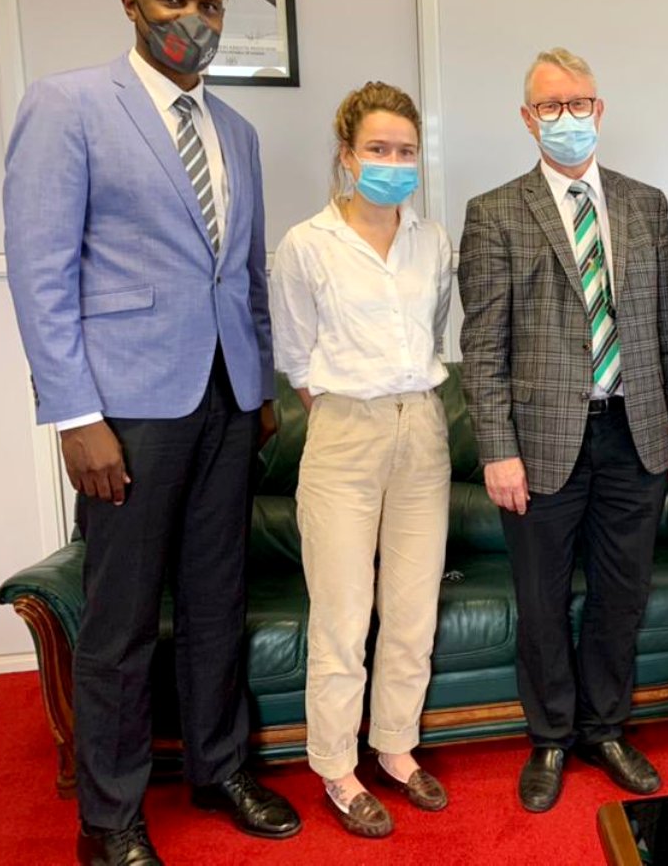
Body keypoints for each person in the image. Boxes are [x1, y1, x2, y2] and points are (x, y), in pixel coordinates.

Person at [3, 0, 299, 865]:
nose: (195, 21)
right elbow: (42, 271)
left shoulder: (238, 133)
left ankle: (218, 768)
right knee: (124, 618)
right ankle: (110, 819)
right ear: (130, 3)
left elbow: (243, 274)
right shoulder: (70, 104)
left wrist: (259, 389)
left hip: (228, 401)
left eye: (210, 7)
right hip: (125, 408)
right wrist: (74, 414)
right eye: (174, 0)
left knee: (217, 599)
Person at [458, 47, 668, 813]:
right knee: (544, 593)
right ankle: (551, 735)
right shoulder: (494, 212)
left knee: (623, 593)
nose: (567, 117)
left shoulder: (645, 203)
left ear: (601, 109)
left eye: (579, 102)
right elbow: (483, 346)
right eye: (550, 106)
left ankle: (607, 727)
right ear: (528, 119)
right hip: (541, 443)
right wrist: (496, 447)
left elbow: (665, 327)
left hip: (637, 431)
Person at [269, 82, 453, 838]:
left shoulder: (432, 240)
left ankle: (396, 748)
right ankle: (339, 769)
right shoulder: (306, 244)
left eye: (405, 151)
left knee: (411, 610)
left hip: (425, 431)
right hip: (344, 433)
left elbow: (436, 326)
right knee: (345, 616)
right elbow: (295, 358)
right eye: (377, 149)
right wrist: (354, 417)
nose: (392, 163)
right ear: (347, 157)